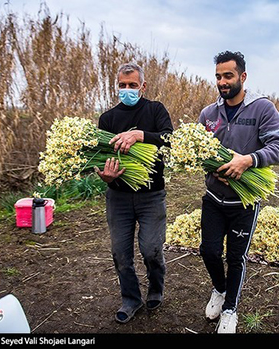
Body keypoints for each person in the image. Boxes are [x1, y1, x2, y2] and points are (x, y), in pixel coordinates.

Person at [198, 51, 279, 333]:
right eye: (218, 77)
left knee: (235, 257)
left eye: (228, 76)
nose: (223, 82)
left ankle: (230, 310)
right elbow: (199, 153)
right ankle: (220, 289)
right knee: (209, 251)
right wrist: (211, 168)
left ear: (242, 77)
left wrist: (247, 160)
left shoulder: (262, 109)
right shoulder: (208, 114)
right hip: (214, 198)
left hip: (244, 202)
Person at [95, 62, 173, 324]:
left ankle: (155, 287)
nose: (126, 89)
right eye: (122, 85)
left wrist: (141, 135)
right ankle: (130, 299)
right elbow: (100, 157)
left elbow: (169, 139)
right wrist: (104, 176)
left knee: (151, 249)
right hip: (118, 196)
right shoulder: (107, 119)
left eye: (132, 85)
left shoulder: (155, 110)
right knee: (120, 253)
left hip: (151, 195)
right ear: (116, 86)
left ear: (143, 86)